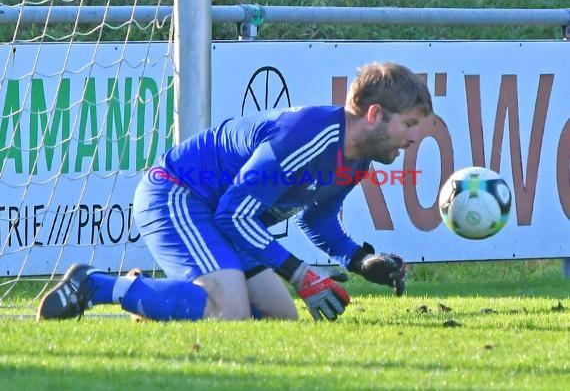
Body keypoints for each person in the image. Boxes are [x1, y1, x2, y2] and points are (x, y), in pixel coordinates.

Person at [36, 61, 433, 322]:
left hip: (222, 215)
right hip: (178, 194)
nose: (414, 139)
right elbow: (234, 214)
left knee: (280, 317)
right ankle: (95, 284)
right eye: (410, 125)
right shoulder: (307, 135)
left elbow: (318, 218)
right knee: (229, 311)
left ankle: (161, 304)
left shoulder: (358, 157)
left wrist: (361, 260)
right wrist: (300, 275)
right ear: (375, 115)